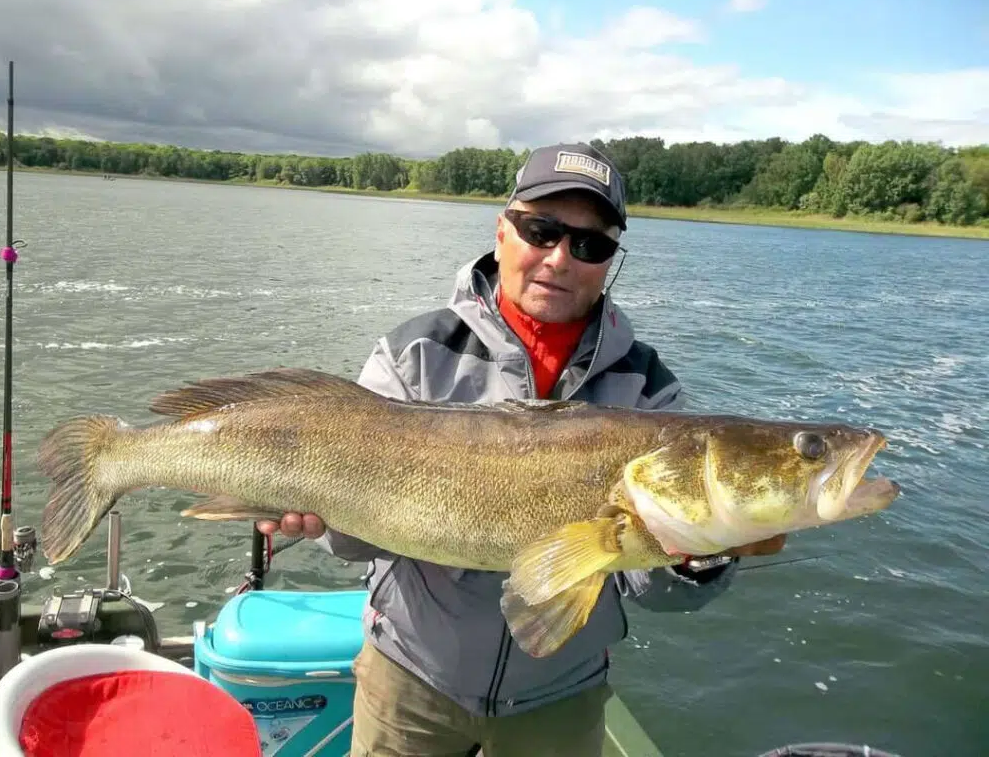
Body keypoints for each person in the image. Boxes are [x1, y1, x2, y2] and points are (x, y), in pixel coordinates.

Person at [258, 142, 786, 756]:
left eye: (591, 245)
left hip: (561, 695)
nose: (560, 259)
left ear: (610, 260)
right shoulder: (413, 356)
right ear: (502, 229)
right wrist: (325, 525)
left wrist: (700, 557)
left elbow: (651, 590)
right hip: (410, 678)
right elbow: (352, 541)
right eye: (542, 230)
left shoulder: (650, 392)